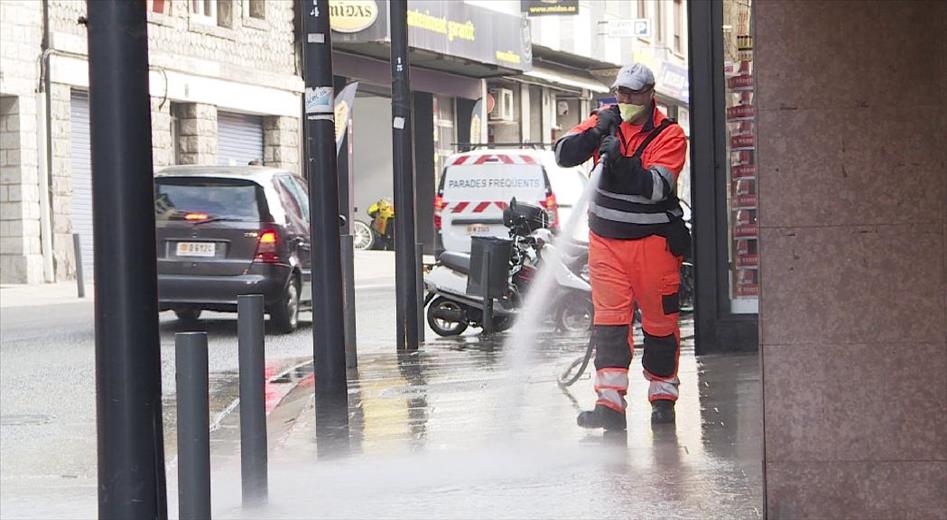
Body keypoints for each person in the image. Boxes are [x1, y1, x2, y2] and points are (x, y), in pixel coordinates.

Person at [555, 63, 689, 430]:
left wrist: (619, 160)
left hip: (654, 246)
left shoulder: (670, 135)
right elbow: (564, 154)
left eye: (633, 94)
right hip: (606, 245)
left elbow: (657, 186)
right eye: (621, 93)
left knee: (660, 325)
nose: (626, 100)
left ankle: (663, 398)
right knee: (610, 325)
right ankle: (609, 404)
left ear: (651, 96)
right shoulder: (605, 121)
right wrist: (594, 135)